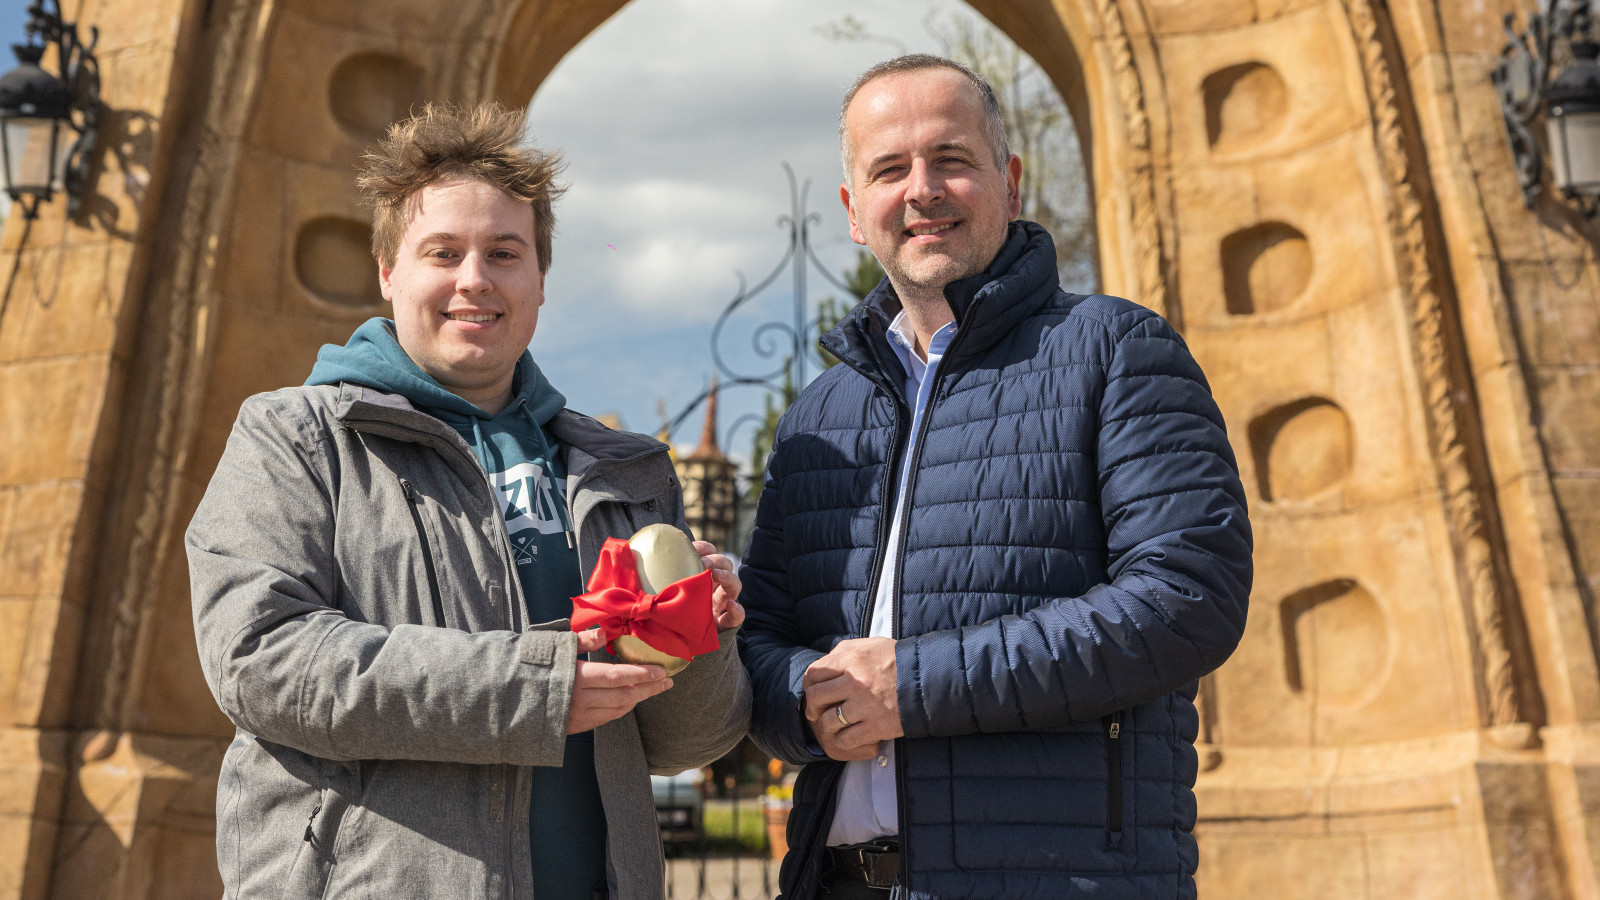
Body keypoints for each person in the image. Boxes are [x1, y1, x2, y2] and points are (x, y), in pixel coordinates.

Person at [187, 103, 750, 900]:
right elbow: (262, 659)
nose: (474, 279)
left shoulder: (625, 470)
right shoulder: (295, 436)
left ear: (541, 280)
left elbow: (689, 739)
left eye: (504, 252)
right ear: (388, 270)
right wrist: (536, 689)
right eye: (442, 252)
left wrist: (700, 636)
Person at [739, 55, 1252, 899]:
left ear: (1010, 182)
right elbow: (760, 647)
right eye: (889, 170)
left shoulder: (1116, 349)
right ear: (853, 213)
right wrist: (806, 694)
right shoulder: (816, 418)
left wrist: (913, 685)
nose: (922, 190)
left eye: (951, 160)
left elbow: (1188, 599)